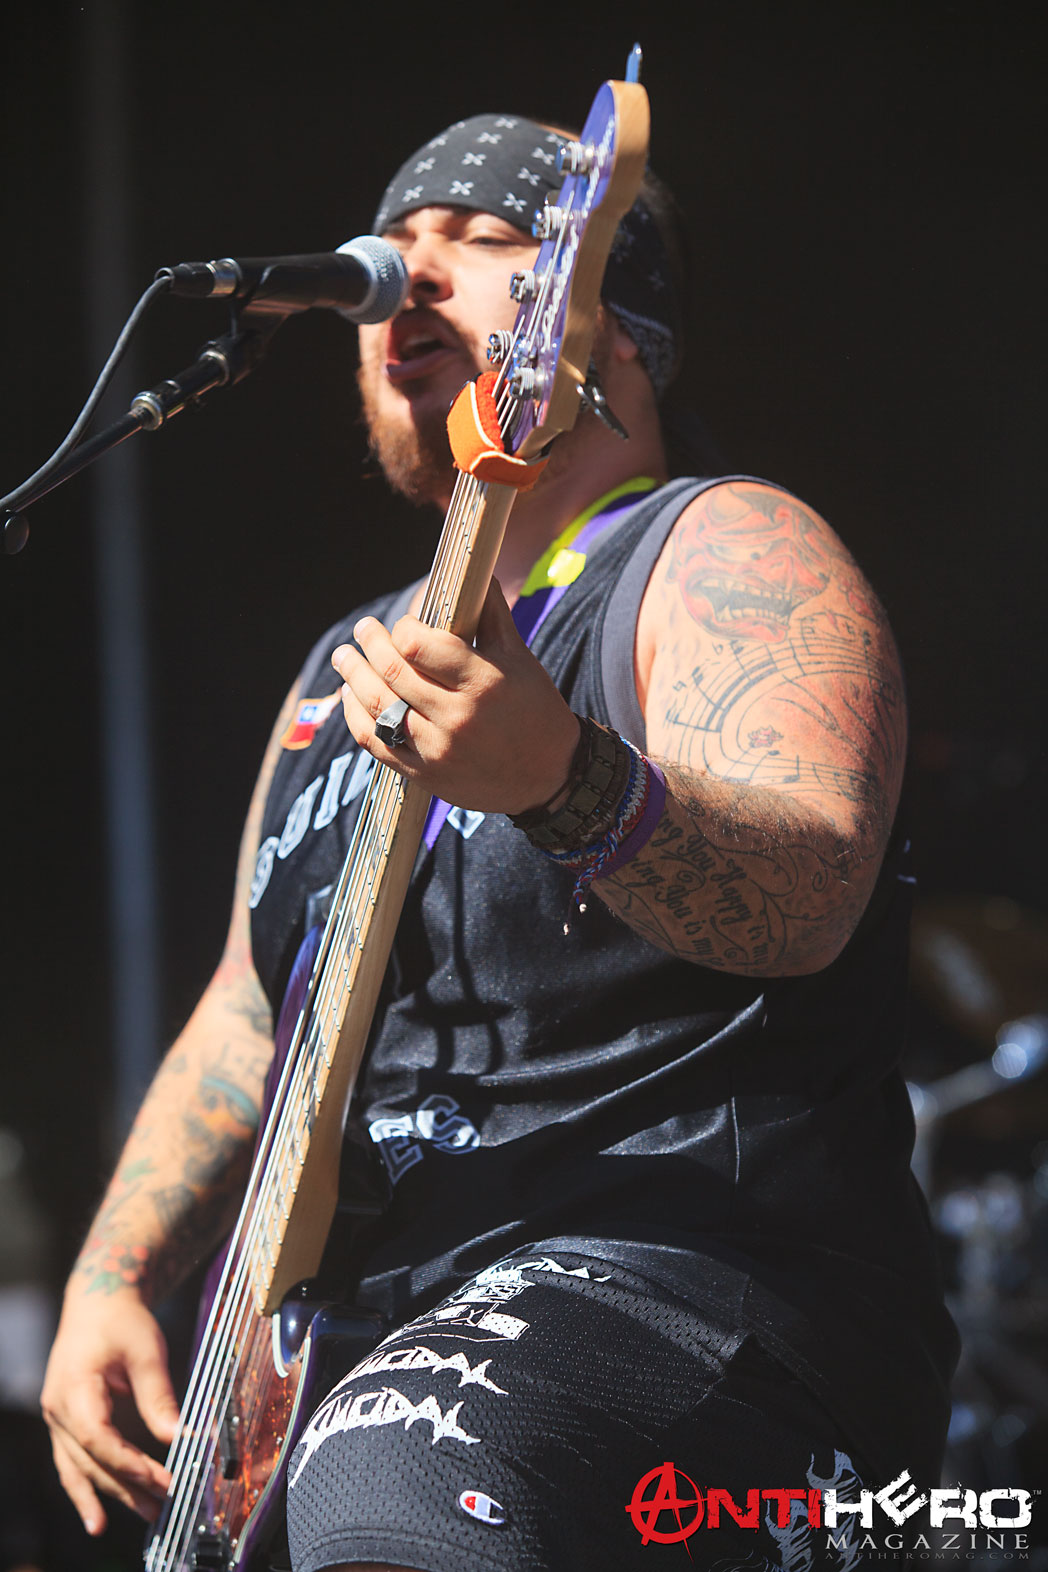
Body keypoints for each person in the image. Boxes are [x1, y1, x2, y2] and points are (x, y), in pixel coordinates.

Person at [42, 112, 957, 1570]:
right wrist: (112, 1276)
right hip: (383, 1326)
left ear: (610, 320)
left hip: (687, 1285)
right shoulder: (340, 670)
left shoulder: (727, 547)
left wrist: (562, 779)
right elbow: (249, 1012)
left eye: (479, 241)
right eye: (389, 247)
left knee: (397, 1470)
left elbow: (812, 895)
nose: (404, 276)